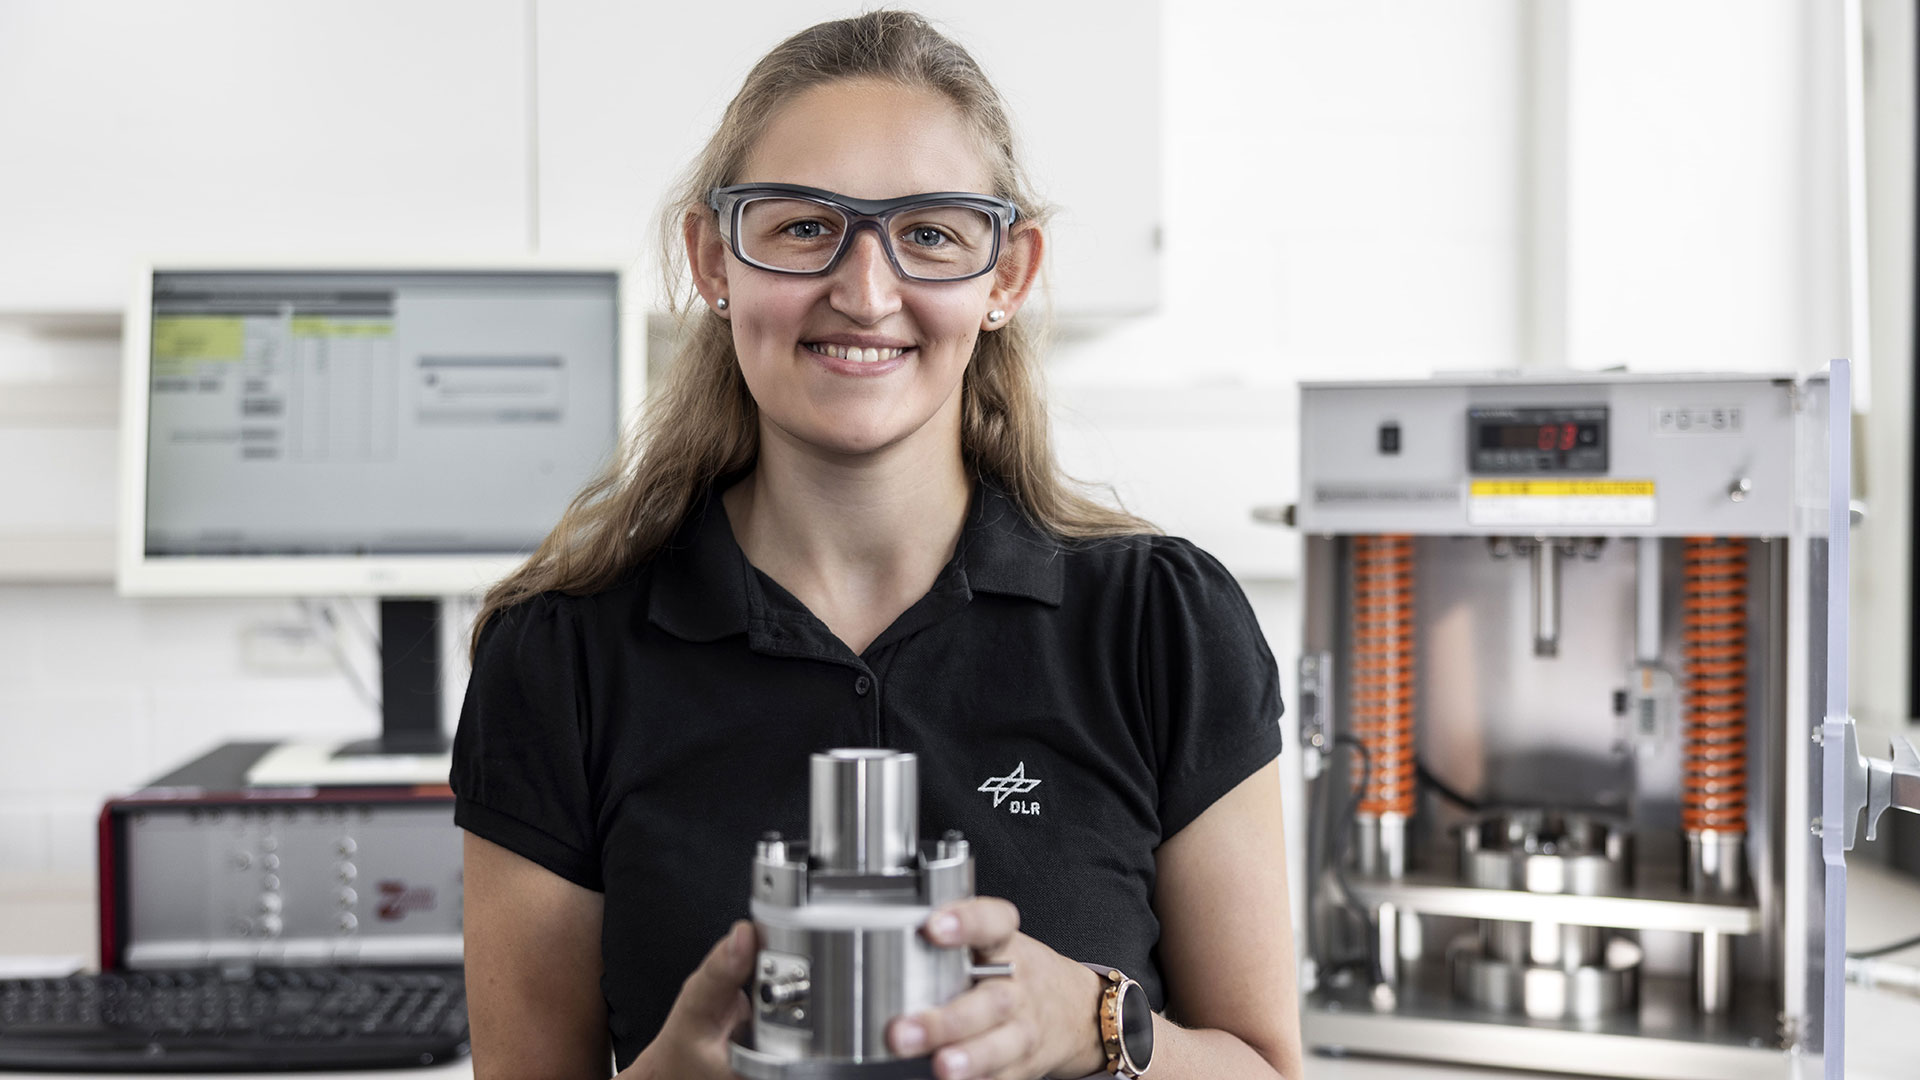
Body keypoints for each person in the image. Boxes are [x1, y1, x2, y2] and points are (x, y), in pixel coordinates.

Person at [450, 10, 1302, 1080]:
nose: (864, 290)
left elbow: (1266, 1070)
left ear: (1008, 274)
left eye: (933, 233)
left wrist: (1090, 1020)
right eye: (804, 227)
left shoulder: (1161, 625)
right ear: (715, 258)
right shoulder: (560, 658)